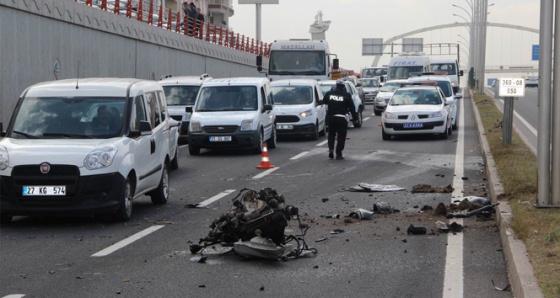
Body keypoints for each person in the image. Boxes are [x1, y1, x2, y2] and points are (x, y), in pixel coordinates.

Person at [323, 79, 357, 160]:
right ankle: (338, 153)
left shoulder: (329, 93)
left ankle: (331, 150)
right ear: (343, 86)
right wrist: (355, 118)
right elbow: (352, 107)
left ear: (336, 85)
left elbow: (324, 101)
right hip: (342, 118)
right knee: (341, 136)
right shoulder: (347, 95)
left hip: (331, 117)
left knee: (331, 134)